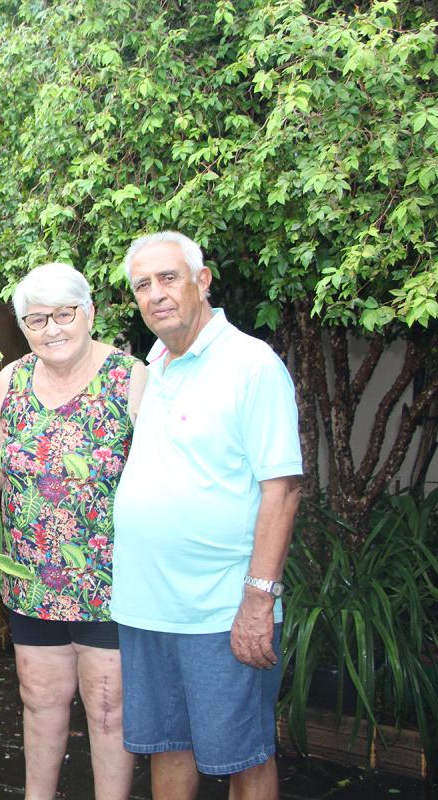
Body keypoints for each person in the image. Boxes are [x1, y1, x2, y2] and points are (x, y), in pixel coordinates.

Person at [0, 262, 147, 800]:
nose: (52, 329)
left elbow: (161, 471)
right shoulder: (12, 379)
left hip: (110, 580)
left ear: (88, 312)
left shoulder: (130, 377)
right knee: (39, 697)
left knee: (109, 706)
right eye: (36, 319)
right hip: (33, 575)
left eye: (64, 314)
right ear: (23, 325)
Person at [111, 231, 303, 800]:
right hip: (147, 607)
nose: (155, 294)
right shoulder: (155, 364)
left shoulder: (251, 365)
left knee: (244, 755)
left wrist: (258, 599)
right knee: (166, 746)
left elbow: (283, 490)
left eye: (168, 278)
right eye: (142, 285)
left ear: (203, 280)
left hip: (220, 611)